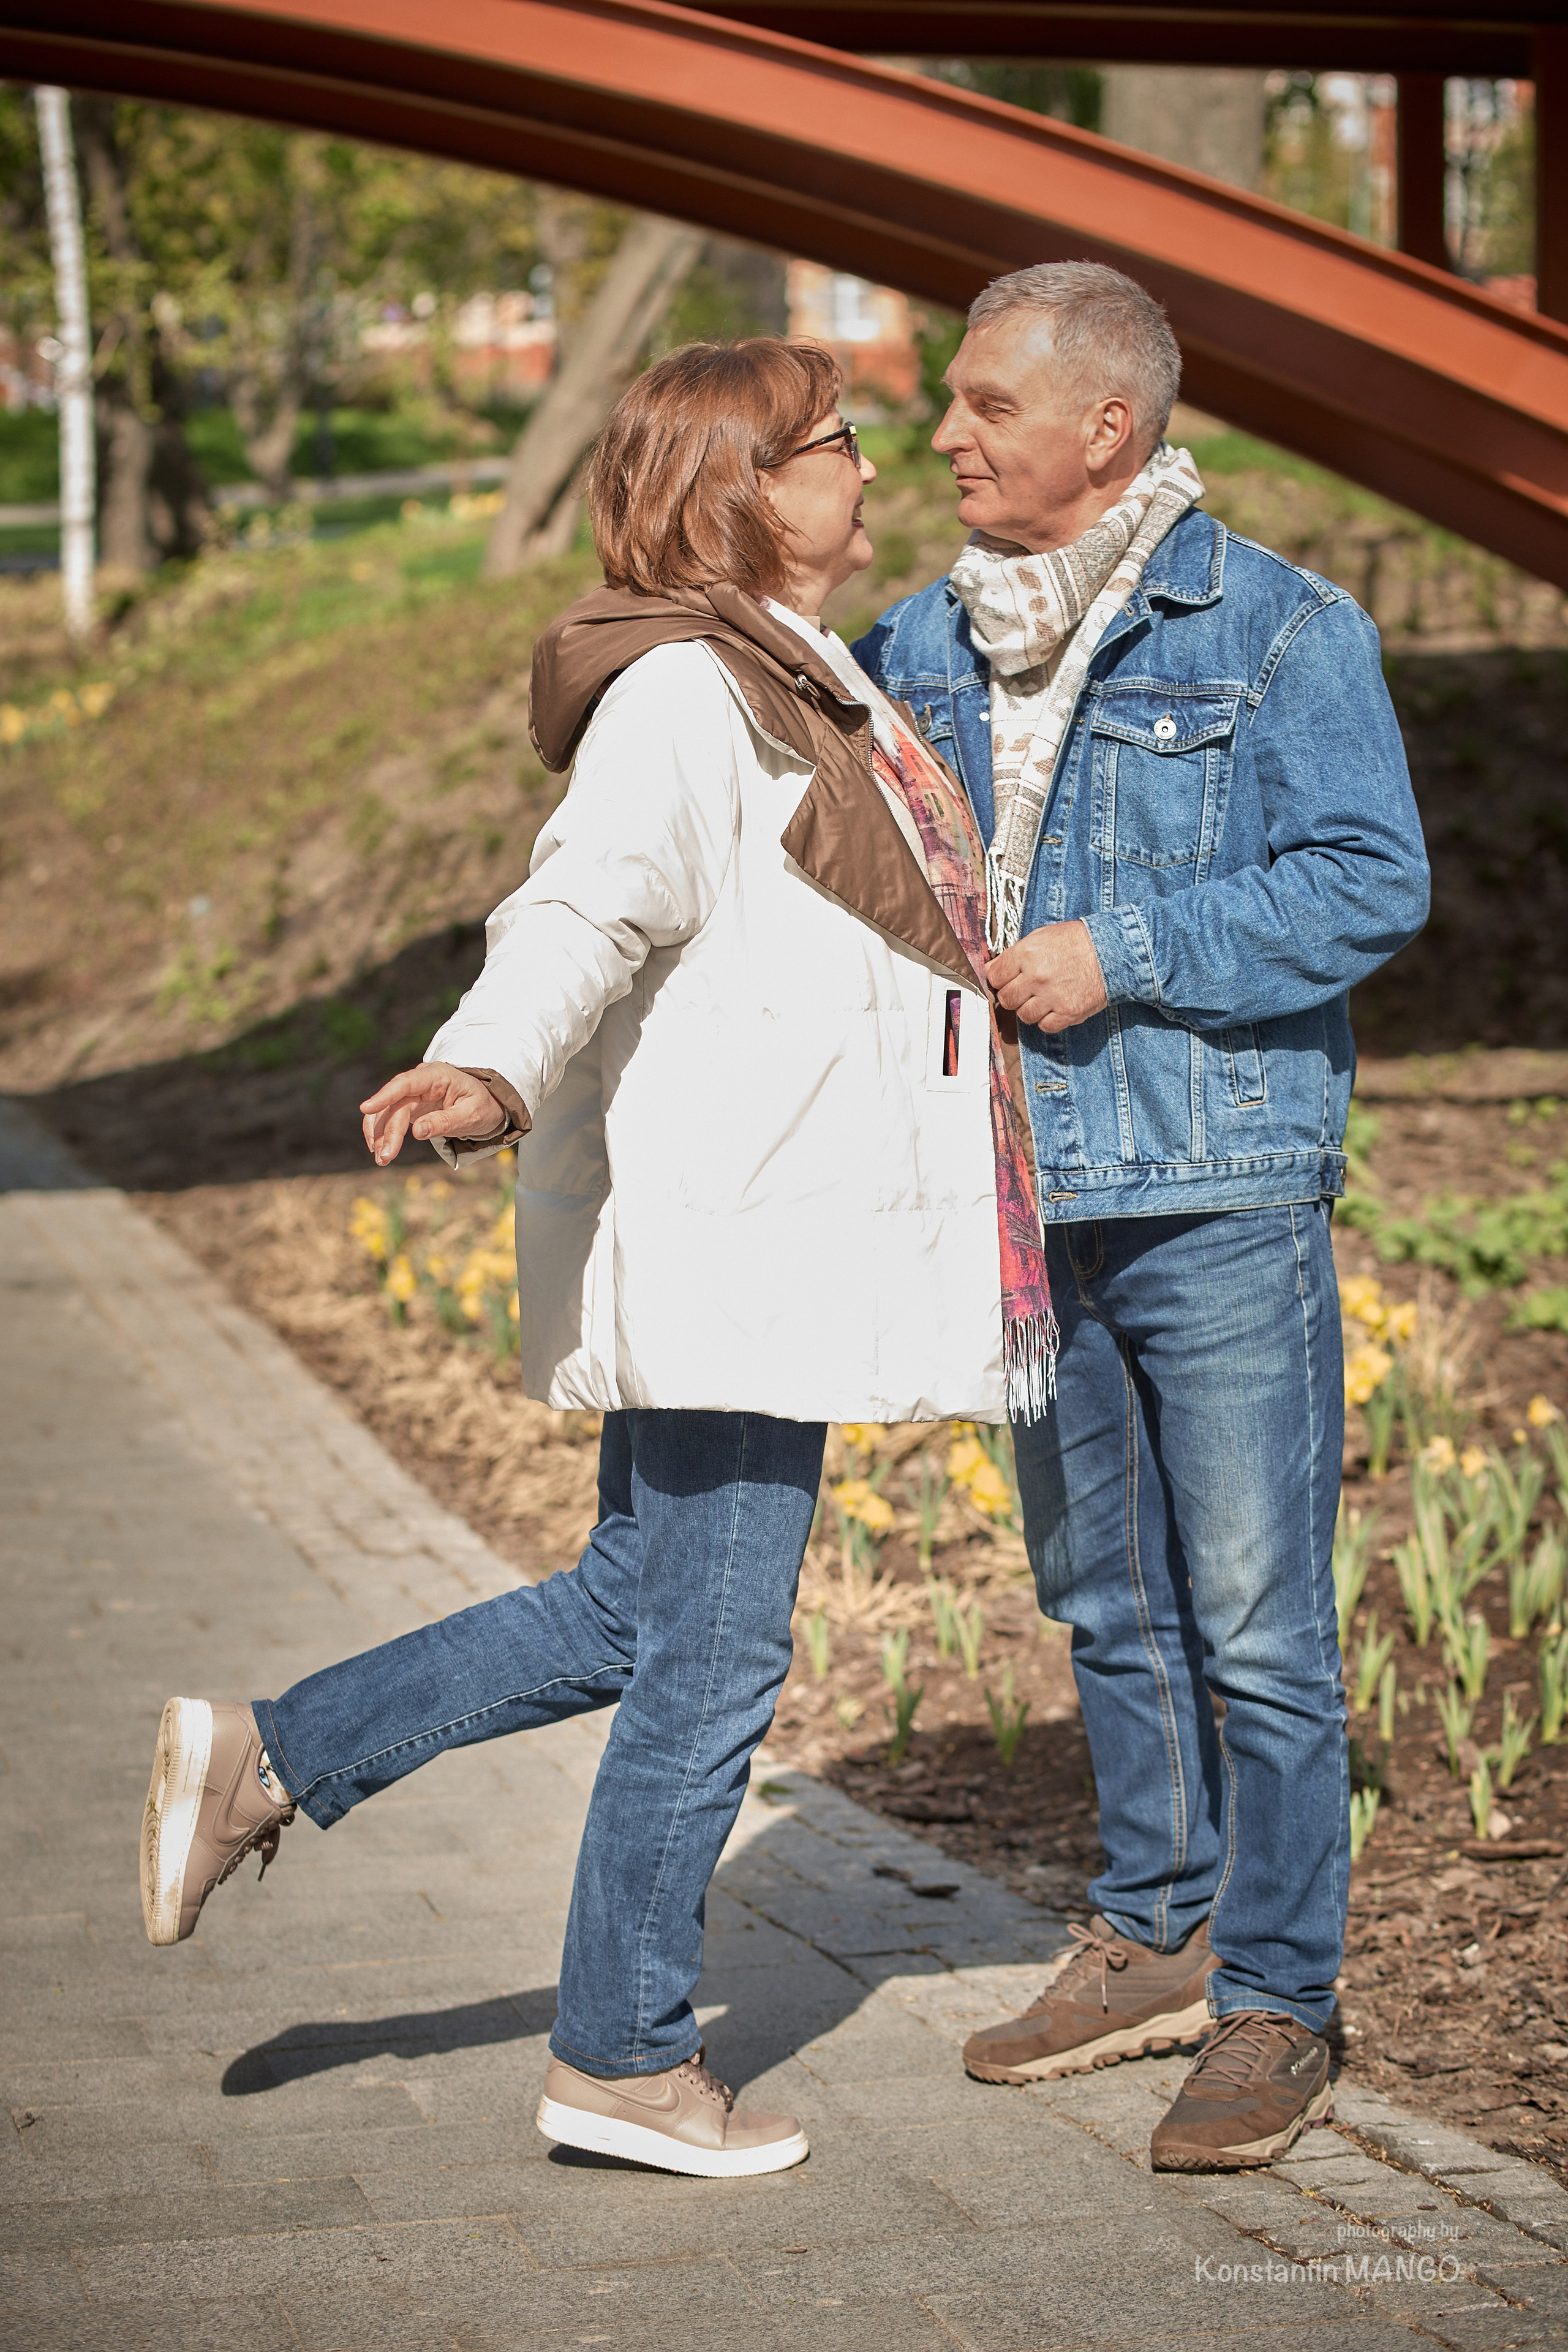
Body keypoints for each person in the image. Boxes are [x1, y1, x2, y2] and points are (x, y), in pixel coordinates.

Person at [138, 336, 1054, 2180]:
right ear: (741, 482)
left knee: (632, 1615)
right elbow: (586, 901)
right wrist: (489, 1058)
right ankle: (622, 2060)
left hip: (764, 1226)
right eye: (838, 444)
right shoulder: (689, 702)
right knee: (710, 1663)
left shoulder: (794, 681)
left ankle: (267, 1753)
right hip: (743, 1241)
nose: (872, 472)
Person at [854, 261, 1429, 2171]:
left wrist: (1137, 948)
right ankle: (1155, 1932)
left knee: (1258, 1622)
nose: (946, 434)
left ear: (1107, 427)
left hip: (1217, 1183)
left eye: (984, 404)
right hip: (1026, 1203)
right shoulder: (914, 643)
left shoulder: (1276, 628)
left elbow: (1371, 882)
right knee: (1100, 1598)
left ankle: (1279, 2002)